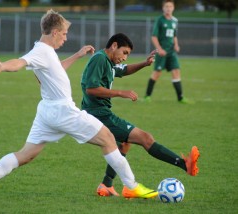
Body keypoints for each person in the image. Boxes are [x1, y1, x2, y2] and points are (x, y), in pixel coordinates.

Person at [0, 9, 159, 202]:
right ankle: (131, 186)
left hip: (46, 112)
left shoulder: (46, 52)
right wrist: (3, 66)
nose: (66, 38)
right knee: (108, 138)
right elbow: (20, 62)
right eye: (64, 34)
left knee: (25, 155)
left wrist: (78, 54)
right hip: (62, 110)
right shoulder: (41, 51)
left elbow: (56, 68)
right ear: (55, 32)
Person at [80, 33, 200, 197]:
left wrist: (144, 63)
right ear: (114, 46)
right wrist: (121, 92)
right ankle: (184, 165)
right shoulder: (100, 59)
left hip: (100, 113)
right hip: (98, 114)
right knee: (146, 138)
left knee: (123, 144)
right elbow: (91, 89)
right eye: (125, 52)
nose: (125, 57)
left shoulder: (108, 61)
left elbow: (125, 69)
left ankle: (106, 185)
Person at [144, 0, 190, 103]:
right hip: (162, 52)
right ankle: (147, 96)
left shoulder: (175, 20)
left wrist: (176, 45)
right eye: (166, 6)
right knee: (157, 73)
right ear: (163, 8)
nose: (168, 8)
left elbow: (174, 35)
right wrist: (159, 49)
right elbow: (154, 36)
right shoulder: (160, 20)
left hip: (171, 52)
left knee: (176, 71)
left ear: (173, 8)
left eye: (170, 6)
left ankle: (180, 98)